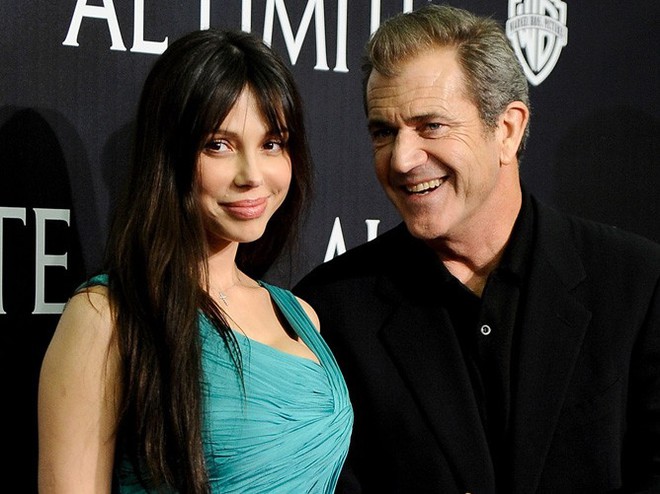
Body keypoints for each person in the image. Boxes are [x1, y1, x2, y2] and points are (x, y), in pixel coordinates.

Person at [294, 4, 660, 493]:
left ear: (506, 130)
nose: (401, 160)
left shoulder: (636, 284)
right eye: (384, 132)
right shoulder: (332, 309)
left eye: (431, 126)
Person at [37, 28, 352, 494]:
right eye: (218, 145)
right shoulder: (107, 318)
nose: (252, 175)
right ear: (170, 155)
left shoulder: (300, 315)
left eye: (272, 144)